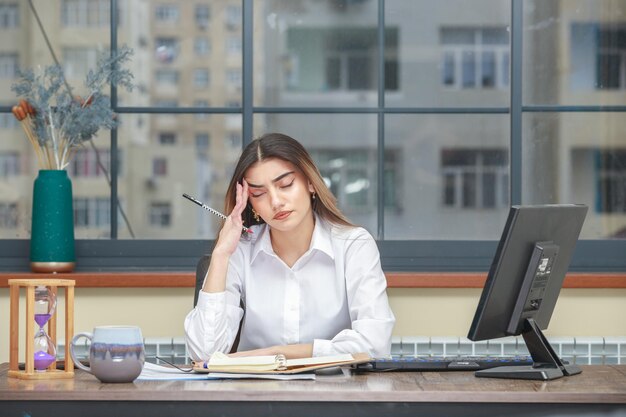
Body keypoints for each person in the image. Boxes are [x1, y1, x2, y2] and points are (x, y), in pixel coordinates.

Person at [184, 133, 395, 360]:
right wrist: (221, 254)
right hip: (254, 392)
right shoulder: (240, 249)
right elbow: (204, 353)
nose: (275, 202)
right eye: (259, 194)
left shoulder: (354, 245)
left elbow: (376, 345)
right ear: (250, 203)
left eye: (285, 184)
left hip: (335, 390)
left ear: (311, 183)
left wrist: (279, 353)